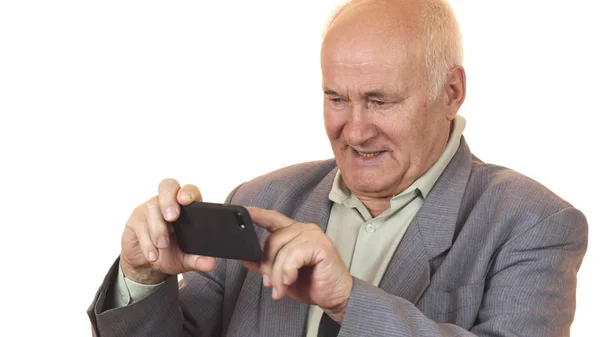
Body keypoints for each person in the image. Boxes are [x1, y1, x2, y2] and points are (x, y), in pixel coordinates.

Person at [87, 0, 588, 336]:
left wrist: (350, 301)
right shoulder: (263, 198)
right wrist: (144, 277)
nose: (354, 130)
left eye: (379, 100)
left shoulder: (533, 224)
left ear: (451, 92)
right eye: (336, 98)